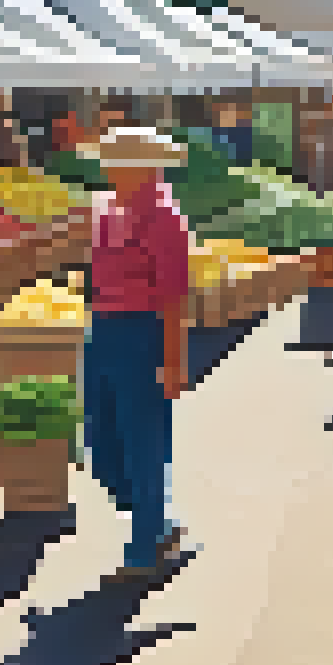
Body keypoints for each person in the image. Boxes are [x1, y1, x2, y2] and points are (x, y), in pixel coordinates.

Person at [79, 126, 193, 584]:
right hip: (103, 330)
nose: (107, 171)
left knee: (143, 440)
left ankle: (146, 545)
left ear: (143, 169)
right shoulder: (106, 209)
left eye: (115, 164)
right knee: (101, 442)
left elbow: (174, 299)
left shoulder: (166, 219)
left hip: (143, 332)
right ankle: (156, 519)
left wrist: (174, 361)